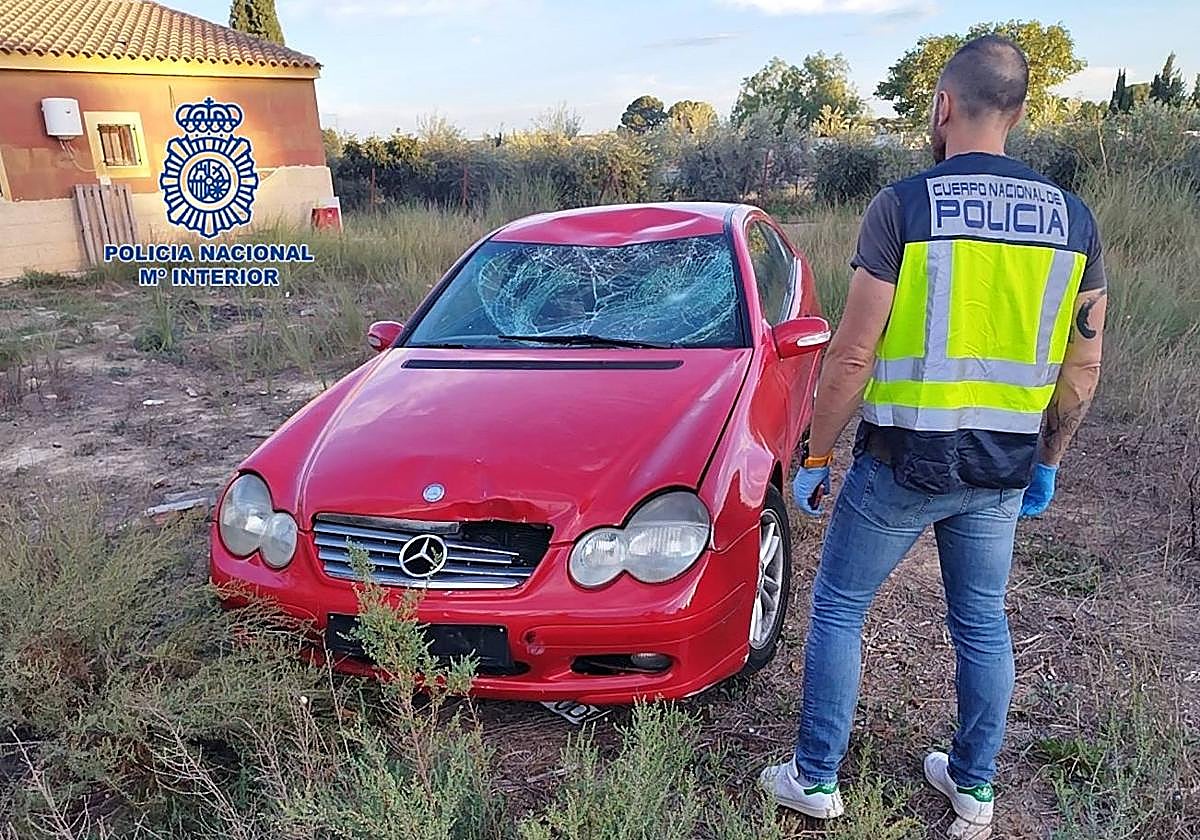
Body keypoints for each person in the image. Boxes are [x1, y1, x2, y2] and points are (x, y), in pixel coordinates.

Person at [757, 35, 1107, 836]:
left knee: (839, 608)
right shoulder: (1073, 220)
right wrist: (1047, 461)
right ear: (1020, 111)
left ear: (943, 106)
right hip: (1002, 468)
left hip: (902, 464)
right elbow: (1083, 368)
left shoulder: (904, 206)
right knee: (981, 623)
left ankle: (815, 778)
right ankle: (974, 787)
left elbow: (852, 354)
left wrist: (816, 454)